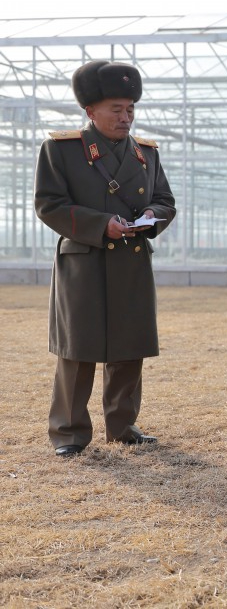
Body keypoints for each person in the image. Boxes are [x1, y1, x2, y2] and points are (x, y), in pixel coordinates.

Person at [34, 60, 176, 457]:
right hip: (84, 261)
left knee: (130, 346)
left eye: (130, 109)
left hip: (132, 259)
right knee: (78, 350)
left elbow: (165, 200)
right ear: (90, 110)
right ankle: (69, 432)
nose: (126, 117)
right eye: (116, 109)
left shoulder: (146, 153)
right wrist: (101, 225)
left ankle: (123, 425)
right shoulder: (61, 149)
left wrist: (152, 217)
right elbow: (49, 204)